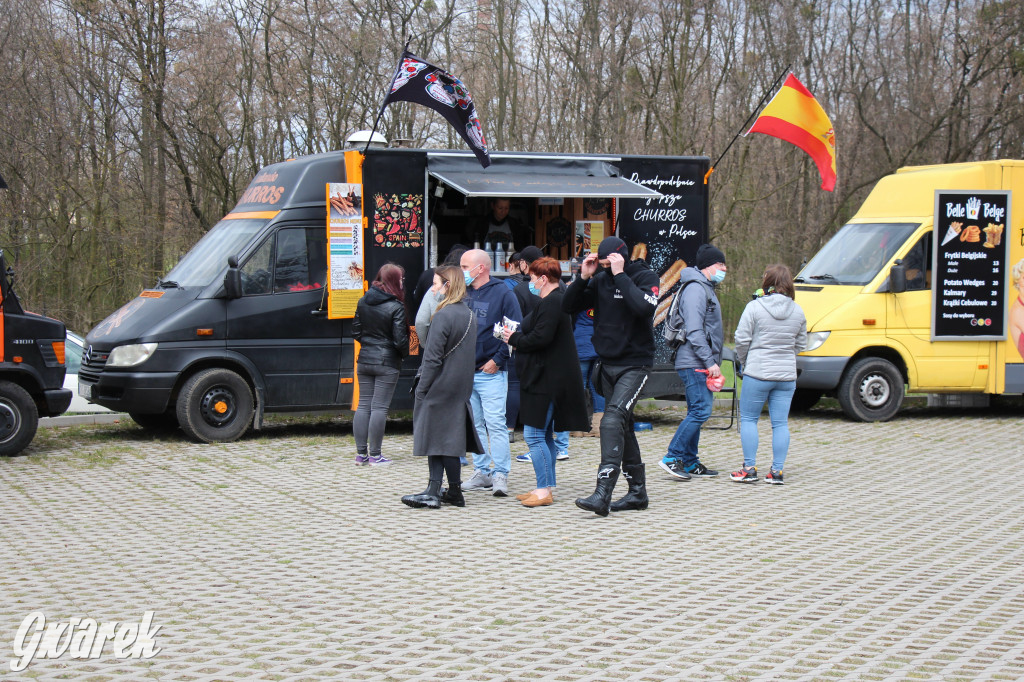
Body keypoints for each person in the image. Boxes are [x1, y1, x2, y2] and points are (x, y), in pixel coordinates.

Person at [562, 236, 659, 516]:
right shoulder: (601, 278)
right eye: (601, 264)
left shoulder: (643, 276)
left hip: (635, 364)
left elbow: (644, 308)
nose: (604, 267)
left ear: (620, 258)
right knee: (623, 427)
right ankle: (637, 493)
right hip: (607, 364)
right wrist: (583, 277)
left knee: (612, 419)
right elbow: (567, 306)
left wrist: (619, 275)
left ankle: (602, 493)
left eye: (609, 263)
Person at [500, 257, 589, 507]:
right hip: (545, 376)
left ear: (543, 278)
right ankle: (545, 487)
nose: (530, 282)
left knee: (534, 435)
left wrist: (514, 338)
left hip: (546, 379)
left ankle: (543, 490)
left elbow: (541, 337)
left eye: (532, 278)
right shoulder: (551, 301)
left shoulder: (553, 302)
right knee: (545, 435)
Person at [401, 266, 482, 509]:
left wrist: (422, 389)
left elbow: (432, 358)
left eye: (436, 284)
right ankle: (454, 491)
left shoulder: (443, 315)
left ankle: (433, 491)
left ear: (448, 286)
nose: (433, 289)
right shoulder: (469, 314)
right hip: (459, 385)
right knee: (450, 438)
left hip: (439, 384)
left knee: (436, 439)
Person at [730, 265, 807, 485]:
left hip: (758, 372)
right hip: (786, 376)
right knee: (780, 423)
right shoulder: (798, 310)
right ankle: (776, 472)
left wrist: (746, 361)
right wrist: (785, 356)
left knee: (749, 420)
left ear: (767, 282)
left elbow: (741, 340)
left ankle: (749, 468)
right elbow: (801, 343)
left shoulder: (754, 307)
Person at [660, 244, 727, 481]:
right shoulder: (696, 289)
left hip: (697, 360)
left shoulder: (703, 287)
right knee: (701, 410)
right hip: (695, 361)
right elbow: (695, 330)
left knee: (696, 410)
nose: (724, 269)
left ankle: (689, 462)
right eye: (721, 265)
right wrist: (710, 362)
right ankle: (672, 456)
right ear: (709, 265)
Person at [460, 248, 523, 497]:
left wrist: (498, 360)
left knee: (495, 423)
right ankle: (482, 471)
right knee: (474, 425)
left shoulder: (503, 294)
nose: (462, 271)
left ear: (481, 268)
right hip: (465, 371)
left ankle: (501, 474)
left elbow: (513, 329)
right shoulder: (461, 292)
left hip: (491, 371)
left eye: (465, 267)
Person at [352, 263, 409, 466]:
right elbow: (401, 340)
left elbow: (356, 332)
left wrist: (369, 344)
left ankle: (361, 455)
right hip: (387, 362)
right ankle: (376, 455)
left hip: (365, 358)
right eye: (401, 279)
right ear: (395, 281)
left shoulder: (363, 301)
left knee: (363, 405)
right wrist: (402, 355)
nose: (403, 282)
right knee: (379, 408)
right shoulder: (396, 306)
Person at [570, 306, 603, 438]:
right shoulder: (602, 294)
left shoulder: (579, 295)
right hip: (599, 344)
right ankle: (598, 427)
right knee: (597, 386)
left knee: (579, 386)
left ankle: (578, 428)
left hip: (580, 344)